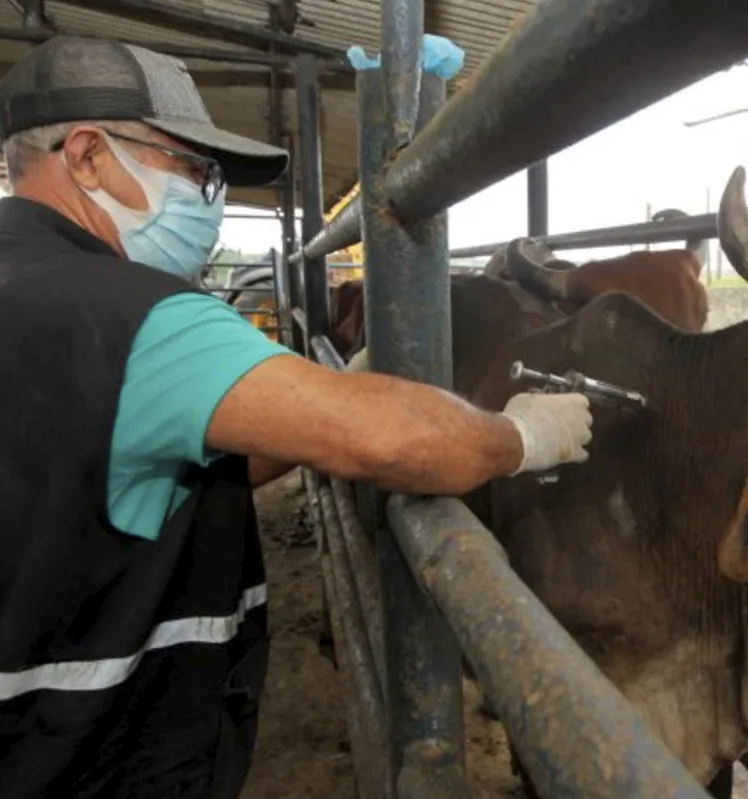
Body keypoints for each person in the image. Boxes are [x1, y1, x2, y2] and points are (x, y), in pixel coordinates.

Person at [0, 35, 593, 799]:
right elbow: (393, 439)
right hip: (94, 754)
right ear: (86, 155)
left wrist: (334, 388)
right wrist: (520, 435)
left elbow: (142, 467)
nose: (205, 197)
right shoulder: (136, 317)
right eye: (191, 168)